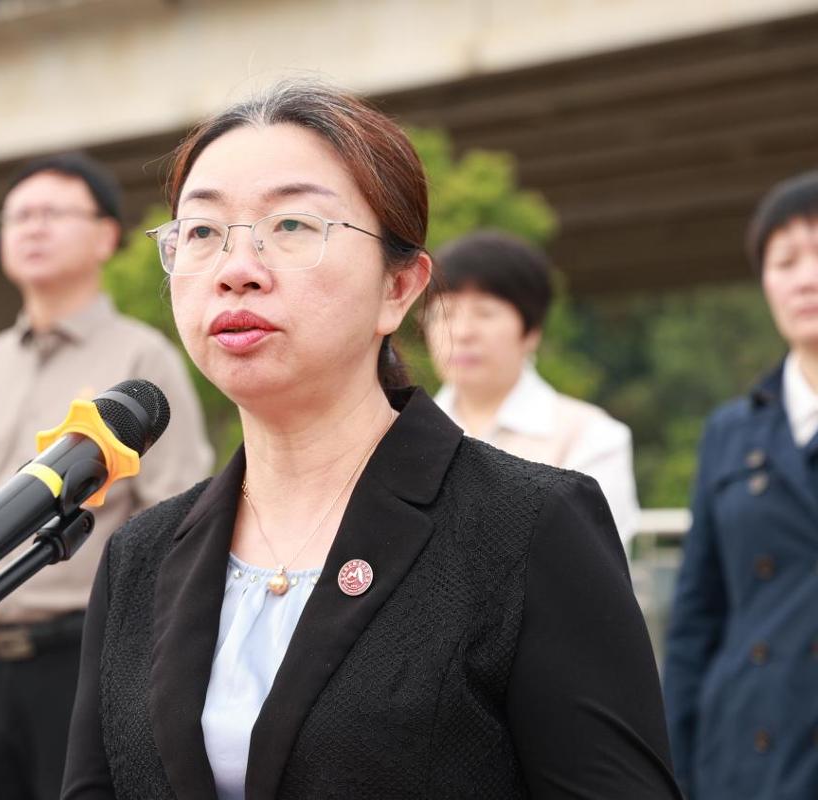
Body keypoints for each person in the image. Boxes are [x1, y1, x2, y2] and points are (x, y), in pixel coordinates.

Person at [62, 82, 681, 799]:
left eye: (292, 225)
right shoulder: (139, 557)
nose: (236, 271)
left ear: (399, 287)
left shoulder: (530, 527)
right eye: (201, 232)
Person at [0, 152, 213, 800]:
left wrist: (150, 676)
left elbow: (179, 524)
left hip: (87, 662)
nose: (32, 227)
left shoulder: (143, 358)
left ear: (105, 236)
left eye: (52, 213)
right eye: (17, 216)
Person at [663, 170, 818, 800]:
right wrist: (673, 768)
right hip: (746, 751)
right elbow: (697, 617)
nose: (806, 278)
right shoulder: (731, 431)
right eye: (785, 261)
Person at [422, 230, 641, 549]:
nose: (462, 332)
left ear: (532, 331)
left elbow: (585, 562)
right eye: (445, 313)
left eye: (485, 313)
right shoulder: (399, 434)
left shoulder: (592, 437)